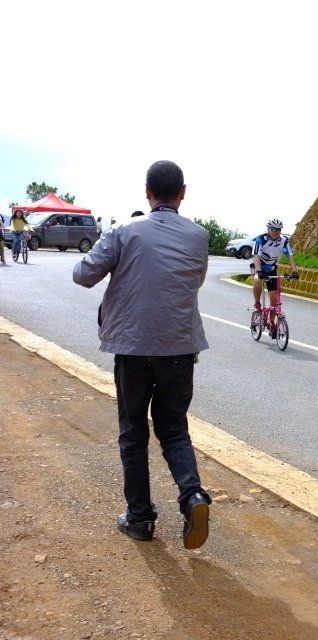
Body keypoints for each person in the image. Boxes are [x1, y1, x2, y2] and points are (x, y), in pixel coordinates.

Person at [72, 160, 212, 549]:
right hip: (180, 351)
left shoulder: (124, 231)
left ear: (146, 192)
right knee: (173, 429)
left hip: (133, 351)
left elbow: (83, 276)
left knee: (133, 433)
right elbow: (193, 281)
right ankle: (193, 496)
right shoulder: (199, 236)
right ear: (182, 193)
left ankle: (140, 519)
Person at [251, 218, 299, 337]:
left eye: (278, 229)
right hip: (259, 267)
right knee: (258, 280)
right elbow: (256, 256)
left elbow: (290, 257)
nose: (276, 231)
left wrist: (295, 272)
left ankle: (272, 323)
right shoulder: (261, 239)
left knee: (274, 301)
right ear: (268, 229)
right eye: (273, 229)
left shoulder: (284, 241)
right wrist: (259, 270)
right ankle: (257, 304)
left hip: (272, 269)